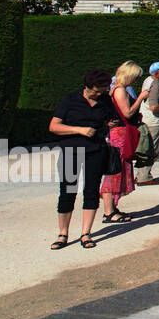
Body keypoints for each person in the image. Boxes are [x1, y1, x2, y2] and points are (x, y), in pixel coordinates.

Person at [49, 71, 115, 250]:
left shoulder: (105, 100)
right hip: (71, 150)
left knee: (91, 191)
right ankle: (63, 233)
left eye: (102, 91)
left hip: (96, 150)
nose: (99, 94)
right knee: (67, 191)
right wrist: (79, 130)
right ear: (86, 87)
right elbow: (54, 126)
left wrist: (111, 124)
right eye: (96, 91)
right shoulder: (70, 100)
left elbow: (112, 118)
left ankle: (86, 233)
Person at [101, 61, 145, 223]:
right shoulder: (119, 90)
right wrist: (140, 97)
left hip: (119, 133)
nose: (135, 80)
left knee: (117, 170)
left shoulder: (116, 89)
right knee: (114, 171)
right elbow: (127, 113)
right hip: (119, 135)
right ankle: (108, 211)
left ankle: (112, 208)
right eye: (135, 77)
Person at [133, 62, 159, 186]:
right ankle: (144, 177)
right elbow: (154, 107)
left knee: (146, 148)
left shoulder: (149, 80)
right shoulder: (155, 84)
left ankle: (141, 175)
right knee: (150, 149)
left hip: (148, 120)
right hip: (152, 121)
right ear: (157, 72)